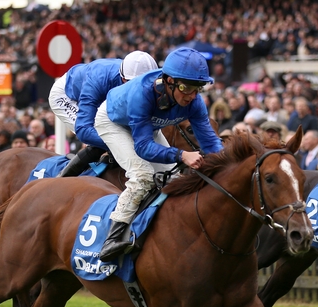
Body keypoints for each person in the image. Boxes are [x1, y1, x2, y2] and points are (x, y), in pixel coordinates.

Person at [95, 47, 223, 261]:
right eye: (185, 87)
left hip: (147, 124)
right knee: (142, 175)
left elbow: (210, 142)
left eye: (197, 89)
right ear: (169, 81)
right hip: (113, 122)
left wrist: (227, 164)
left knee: (173, 180)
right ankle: (112, 238)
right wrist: (182, 155)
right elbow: (143, 147)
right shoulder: (142, 93)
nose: (191, 96)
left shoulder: (194, 102)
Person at [50, 51, 159, 177]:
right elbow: (83, 130)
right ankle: (60, 179)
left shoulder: (142, 77)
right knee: (104, 136)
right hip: (67, 96)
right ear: (123, 79)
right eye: (135, 85)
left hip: (100, 93)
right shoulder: (98, 80)